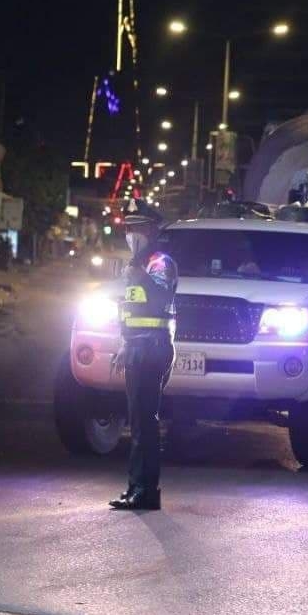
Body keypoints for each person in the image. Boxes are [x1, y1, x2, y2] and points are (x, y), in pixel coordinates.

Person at [110, 203, 178, 511]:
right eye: (127, 228)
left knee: (145, 424)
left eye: (136, 227)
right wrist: (123, 343)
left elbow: (160, 296)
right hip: (136, 346)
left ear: (151, 230)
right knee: (137, 422)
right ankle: (135, 487)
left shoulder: (159, 263)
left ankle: (146, 490)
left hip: (153, 347)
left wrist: (139, 274)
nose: (130, 233)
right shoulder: (133, 265)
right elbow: (129, 308)